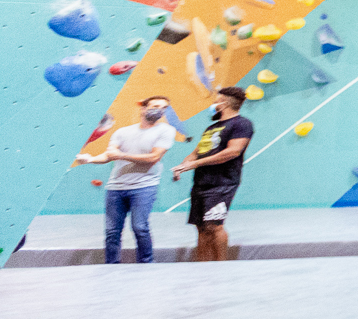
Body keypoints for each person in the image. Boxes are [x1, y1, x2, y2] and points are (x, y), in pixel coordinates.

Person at [78, 96, 179, 264]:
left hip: (144, 187)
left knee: (140, 227)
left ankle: (146, 263)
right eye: (155, 106)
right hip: (115, 187)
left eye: (164, 107)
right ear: (143, 108)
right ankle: (111, 265)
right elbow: (109, 155)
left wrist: (122, 155)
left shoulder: (166, 131)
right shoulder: (122, 132)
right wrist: (90, 159)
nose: (159, 110)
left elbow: (153, 157)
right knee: (112, 231)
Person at [172, 86, 253, 262]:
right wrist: (182, 166)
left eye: (216, 100)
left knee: (214, 226)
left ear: (223, 103)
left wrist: (195, 164)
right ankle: (203, 266)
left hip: (222, 182)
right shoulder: (212, 127)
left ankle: (220, 265)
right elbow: (196, 152)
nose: (214, 103)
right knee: (201, 227)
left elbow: (232, 152)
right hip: (201, 181)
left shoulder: (241, 124)